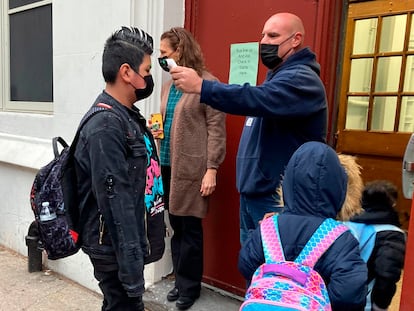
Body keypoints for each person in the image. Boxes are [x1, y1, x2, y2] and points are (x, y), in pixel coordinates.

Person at [170, 12, 328, 245]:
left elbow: (253, 97)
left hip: (279, 199)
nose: (264, 41)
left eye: (273, 36)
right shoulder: (278, 76)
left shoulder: (302, 79)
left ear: (296, 40)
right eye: (263, 35)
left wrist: (203, 87)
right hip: (256, 193)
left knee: (274, 268)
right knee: (254, 265)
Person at [74, 27, 163, 311]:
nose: (149, 77)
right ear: (127, 72)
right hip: (114, 250)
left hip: (123, 246)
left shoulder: (125, 117)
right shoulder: (106, 126)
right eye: (146, 70)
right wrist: (131, 269)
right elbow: (116, 203)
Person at [238, 142, 368, 311]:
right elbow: (349, 293)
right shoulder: (339, 237)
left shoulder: (268, 228)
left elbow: (245, 264)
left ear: (288, 183)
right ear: (339, 188)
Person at [155, 27, 226, 310]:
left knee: (191, 229)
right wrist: (157, 130)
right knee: (176, 227)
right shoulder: (169, 85)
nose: (161, 58)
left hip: (194, 168)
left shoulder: (206, 83)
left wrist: (212, 169)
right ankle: (179, 281)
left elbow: (216, 129)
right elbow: (170, 121)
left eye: (164, 53)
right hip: (167, 165)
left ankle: (190, 287)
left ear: (180, 51)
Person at [346, 180, 406, 311]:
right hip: (366, 303)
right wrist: (380, 306)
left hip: (335, 299)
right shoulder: (392, 234)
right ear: (392, 203)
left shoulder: (346, 225)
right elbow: (387, 275)